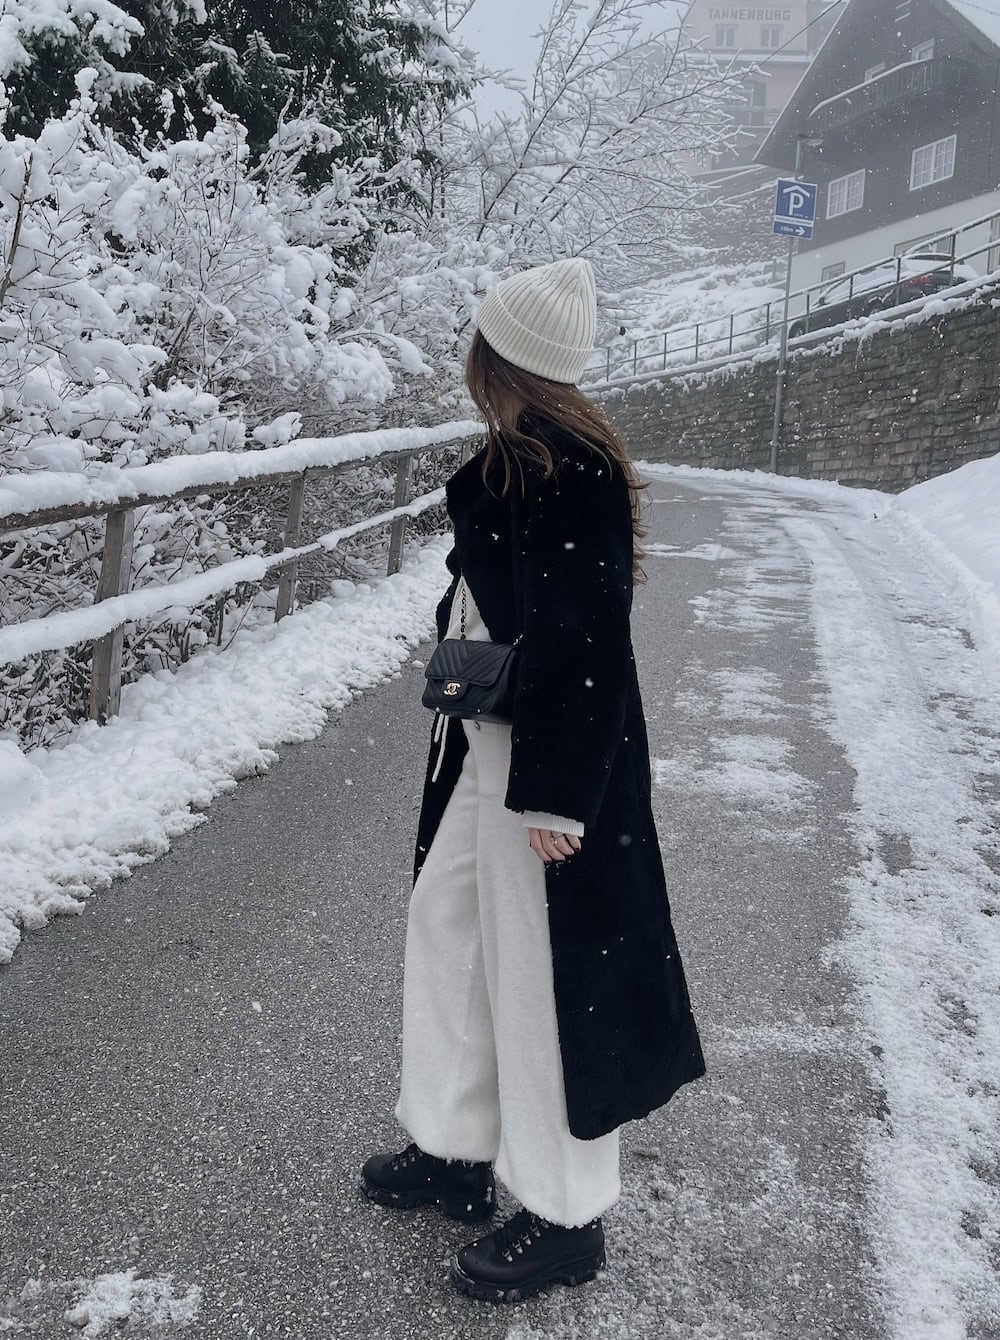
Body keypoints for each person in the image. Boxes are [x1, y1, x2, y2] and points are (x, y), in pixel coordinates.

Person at [361, 257, 706, 1303]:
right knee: (452, 923)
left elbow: (585, 634)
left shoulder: (566, 467)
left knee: (546, 976)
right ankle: (456, 1140)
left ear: (493, 355)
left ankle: (564, 1214)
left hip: (552, 749)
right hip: (500, 733)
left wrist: (558, 793)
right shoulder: (529, 454)